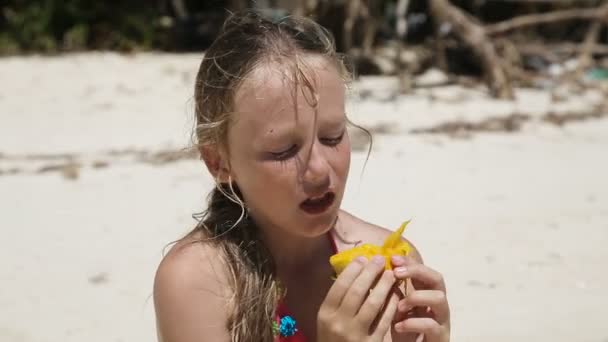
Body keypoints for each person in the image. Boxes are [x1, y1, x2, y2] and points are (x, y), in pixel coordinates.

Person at [153, 11, 450, 342]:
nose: (320, 169)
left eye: (333, 137)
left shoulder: (388, 258)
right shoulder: (199, 283)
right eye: (282, 151)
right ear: (218, 162)